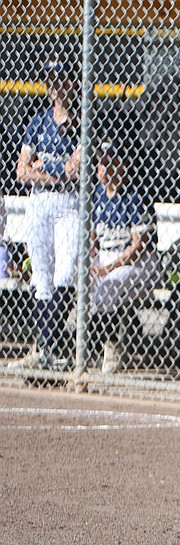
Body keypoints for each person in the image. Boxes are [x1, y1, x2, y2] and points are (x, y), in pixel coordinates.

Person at [11, 56, 82, 370]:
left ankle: (47, 348)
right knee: (41, 278)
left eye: (61, 78)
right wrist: (48, 171)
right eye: (51, 80)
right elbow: (21, 172)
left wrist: (44, 166)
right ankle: (47, 351)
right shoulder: (38, 120)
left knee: (65, 273)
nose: (55, 85)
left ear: (73, 81)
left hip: (69, 204)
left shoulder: (83, 119)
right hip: (39, 202)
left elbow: (74, 170)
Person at [87, 141, 159, 373]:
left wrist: (108, 268)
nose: (104, 169)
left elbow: (139, 247)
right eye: (101, 163)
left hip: (139, 262)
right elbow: (92, 238)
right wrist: (91, 260)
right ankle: (78, 346)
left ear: (124, 165)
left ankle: (111, 347)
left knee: (108, 286)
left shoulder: (135, 195)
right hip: (106, 257)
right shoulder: (97, 193)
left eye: (111, 163)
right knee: (75, 279)